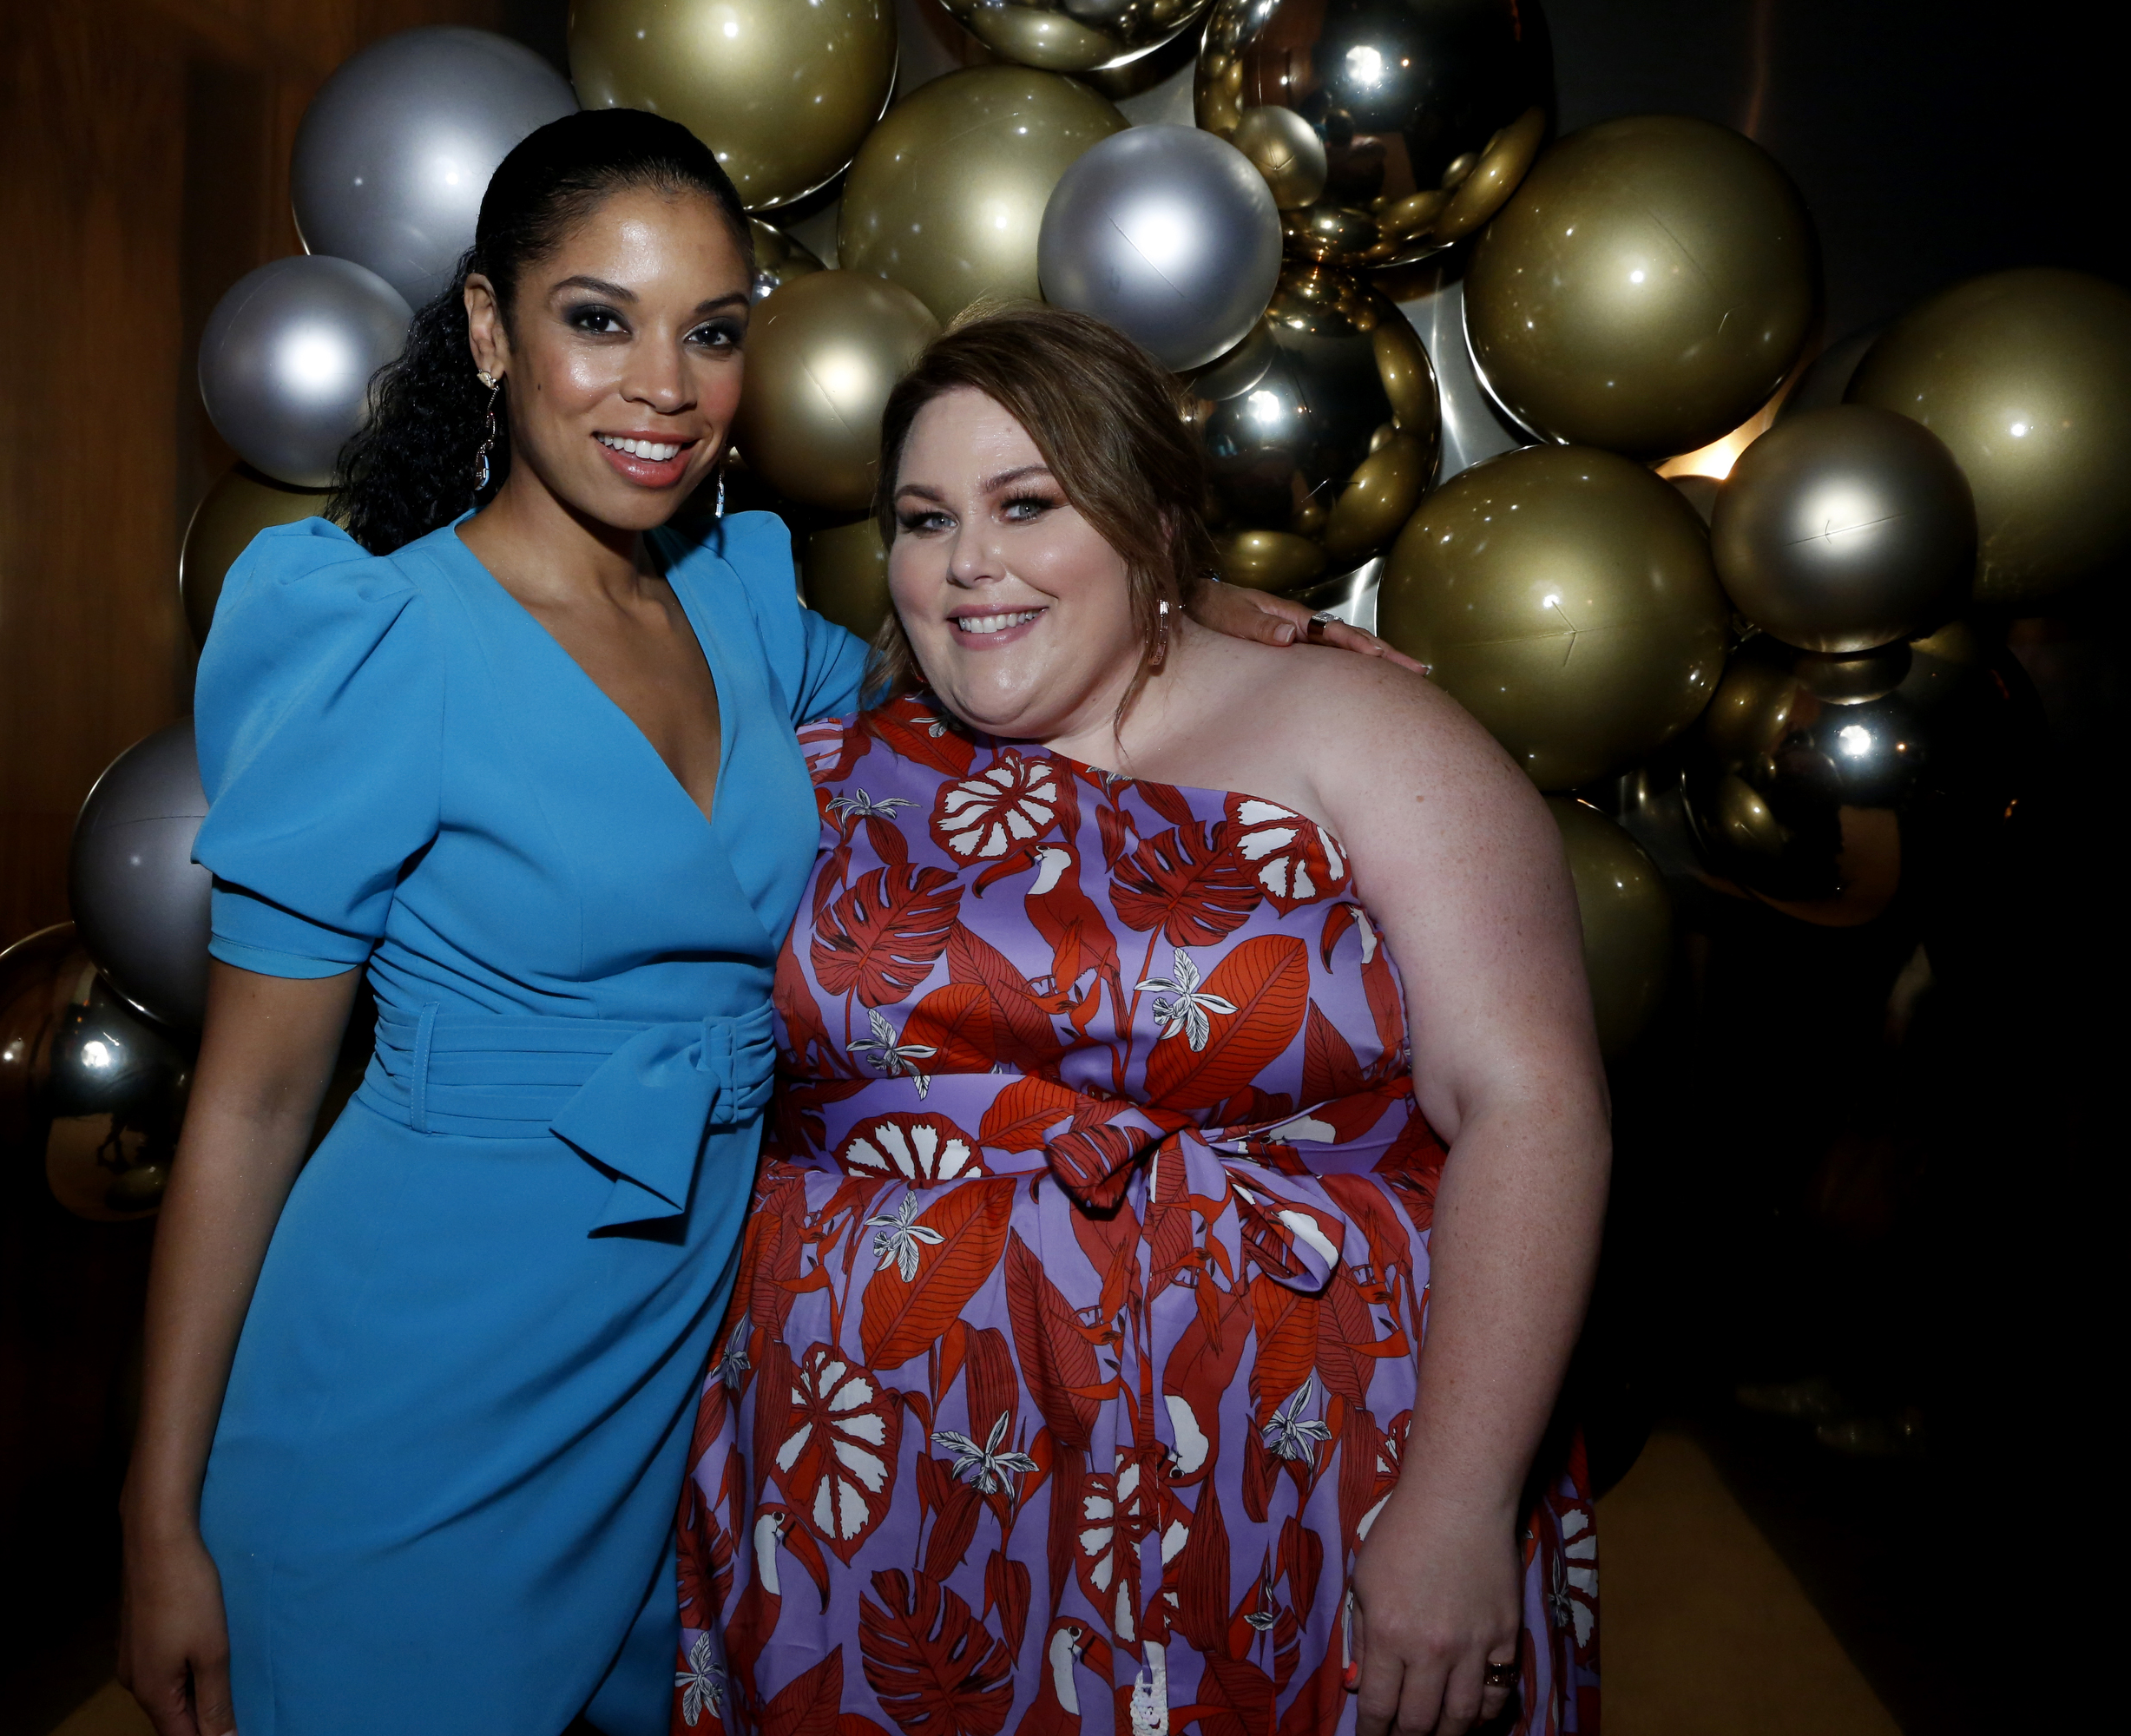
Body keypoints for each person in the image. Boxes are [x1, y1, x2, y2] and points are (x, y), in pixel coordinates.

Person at [118, 113, 1394, 1736]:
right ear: (493, 333)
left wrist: (1192, 597)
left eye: (711, 333)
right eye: (599, 318)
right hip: (417, 1363)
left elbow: (969, 639)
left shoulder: (736, 598)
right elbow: (246, 1101)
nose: (664, 384)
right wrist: (156, 1518)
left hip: (690, 1358)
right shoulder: (375, 636)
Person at [673, 309, 1608, 1736]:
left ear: (1149, 516)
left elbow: (1530, 1106)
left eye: (1029, 505)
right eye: (926, 520)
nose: (969, 562)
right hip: (880, 1497)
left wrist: (1462, 1504)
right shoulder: (837, 753)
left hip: (1284, 1472)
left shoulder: (1364, 737)